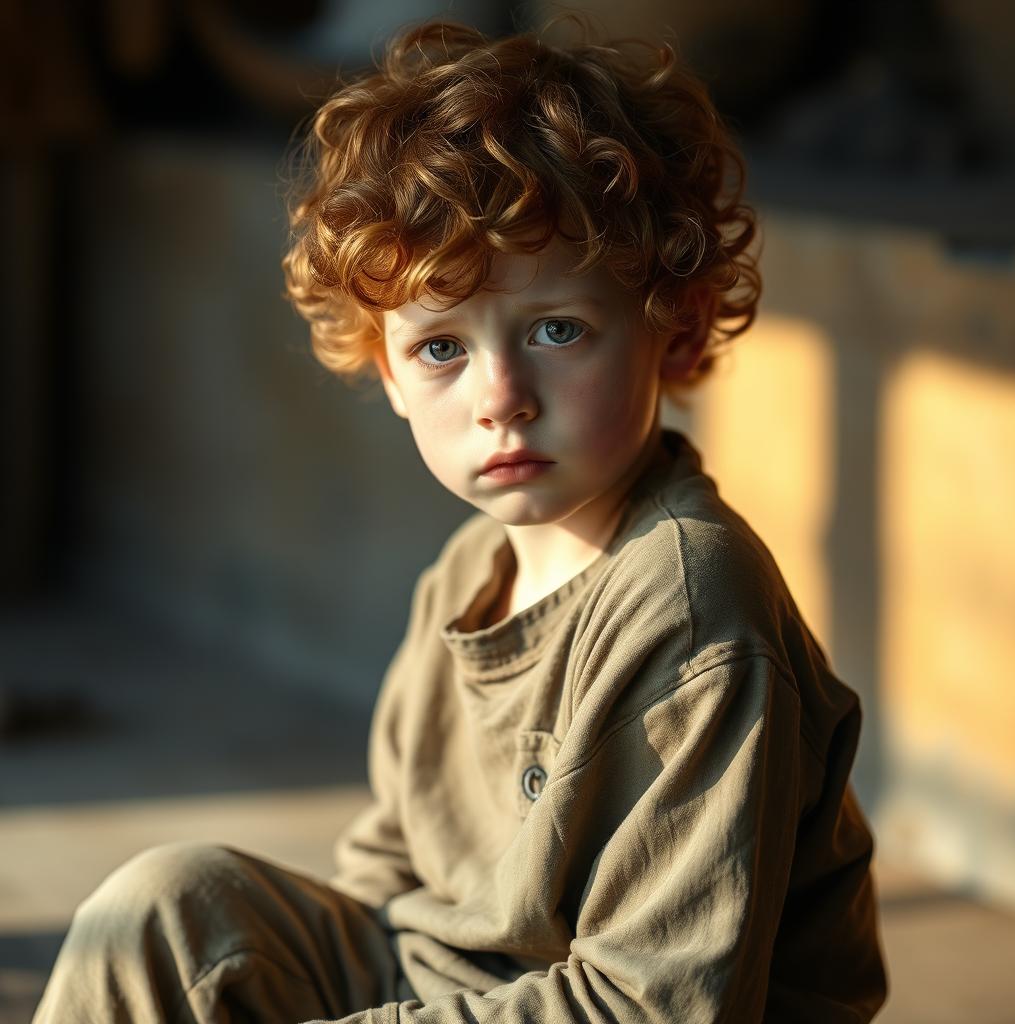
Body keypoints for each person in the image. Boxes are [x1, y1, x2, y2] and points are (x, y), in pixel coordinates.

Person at [33, 18, 888, 1024]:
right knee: (166, 908)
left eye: (557, 329)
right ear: (384, 369)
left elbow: (650, 1007)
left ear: (678, 323)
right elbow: (394, 876)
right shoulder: (469, 571)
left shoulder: (695, 611)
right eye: (441, 347)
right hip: (451, 987)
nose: (502, 396)